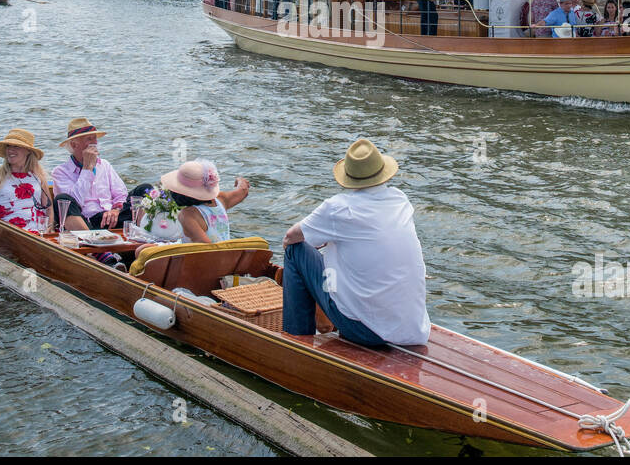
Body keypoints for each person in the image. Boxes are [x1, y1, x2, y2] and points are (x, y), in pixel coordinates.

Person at [281, 138, 429, 348]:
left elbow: (290, 237)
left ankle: (295, 341)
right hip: (413, 329)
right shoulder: (399, 199)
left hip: (367, 331)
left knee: (295, 251)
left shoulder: (338, 208)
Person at [144, 159, 251, 244]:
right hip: (224, 260)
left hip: (203, 265)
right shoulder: (220, 200)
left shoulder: (188, 215)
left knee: (142, 250)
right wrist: (240, 180)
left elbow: (205, 249)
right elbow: (243, 191)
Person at [50, 117, 129, 231]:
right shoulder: (60, 172)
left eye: (95, 138)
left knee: (144, 190)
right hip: (87, 222)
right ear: (74, 145)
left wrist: (116, 210)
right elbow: (74, 203)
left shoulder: (104, 164)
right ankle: (91, 241)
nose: (95, 143)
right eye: (89, 139)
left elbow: (121, 194)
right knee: (63, 199)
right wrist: (87, 169)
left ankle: (149, 239)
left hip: (112, 218)